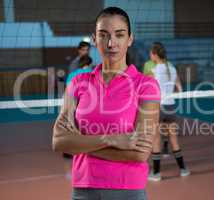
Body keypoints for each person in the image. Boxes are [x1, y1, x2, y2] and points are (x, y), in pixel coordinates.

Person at [52, 7, 160, 200]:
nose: (111, 43)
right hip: (84, 189)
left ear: (130, 39)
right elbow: (59, 141)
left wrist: (80, 143)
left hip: (128, 189)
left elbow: (140, 153)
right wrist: (111, 139)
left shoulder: (146, 85)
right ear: (94, 39)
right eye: (103, 35)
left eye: (119, 35)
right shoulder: (78, 82)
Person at [148, 42, 190, 181]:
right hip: (171, 107)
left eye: (151, 53)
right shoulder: (171, 68)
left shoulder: (154, 71)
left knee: (156, 140)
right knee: (174, 139)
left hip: (158, 107)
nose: (150, 55)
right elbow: (179, 87)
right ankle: (183, 169)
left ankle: (156, 173)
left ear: (154, 55)